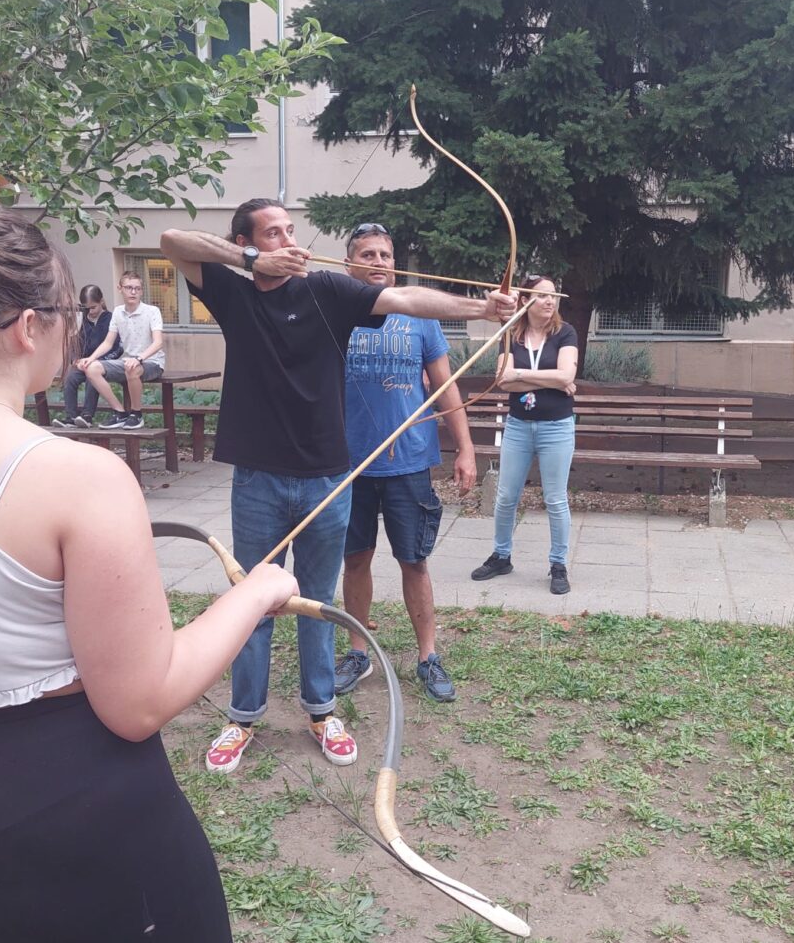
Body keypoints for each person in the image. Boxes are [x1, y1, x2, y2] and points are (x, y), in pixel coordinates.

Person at [0, 196, 299, 943]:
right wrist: (259, 590)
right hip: (67, 816)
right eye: (65, 314)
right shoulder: (76, 477)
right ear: (28, 327)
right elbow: (139, 700)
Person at [160, 202, 516, 774]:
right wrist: (251, 262)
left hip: (328, 476)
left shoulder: (326, 288)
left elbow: (405, 299)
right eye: (273, 233)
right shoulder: (233, 293)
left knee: (318, 604)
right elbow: (172, 238)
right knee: (252, 603)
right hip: (258, 478)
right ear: (246, 241)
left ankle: (321, 711)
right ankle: (243, 717)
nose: (288, 240)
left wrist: (482, 307)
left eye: (291, 230)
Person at [336, 224, 476, 703]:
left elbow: (445, 385)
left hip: (410, 461)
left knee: (414, 561)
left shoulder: (418, 314)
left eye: (386, 255)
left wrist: (465, 447)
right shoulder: (334, 312)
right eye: (368, 254)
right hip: (349, 463)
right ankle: (358, 652)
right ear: (348, 264)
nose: (379, 262)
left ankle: (428, 656)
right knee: (355, 559)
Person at [470, 274, 578, 595]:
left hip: (556, 427)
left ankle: (558, 564)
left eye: (553, 295)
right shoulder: (511, 334)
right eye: (542, 296)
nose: (550, 301)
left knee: (555, 499)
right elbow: (503, 380)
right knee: (506, 497)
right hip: (518, 426)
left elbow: (566, 375)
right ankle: (501, 556)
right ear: (525, 301)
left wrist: (520, 374)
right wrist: (550, 379)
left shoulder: (565, 332)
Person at [80, 269, 165, 430]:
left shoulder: (152, 311)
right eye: (129, 288)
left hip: (152, 362)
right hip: (126, 362)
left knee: (131, 368)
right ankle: (120, 412)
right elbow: (108, 342)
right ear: (120, 289)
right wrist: (90, 358)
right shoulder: (118, 312)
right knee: (91, 368)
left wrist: (139, 359)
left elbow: (158, 343)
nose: (133, 292)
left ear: (141, 291)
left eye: (137, 288)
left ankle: (136, 414)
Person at [51, 283, 122, 428]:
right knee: (70, 377)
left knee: (92, 375)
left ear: (101, 302)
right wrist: (75, 360)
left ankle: (87, 416)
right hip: (83, 363)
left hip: (104, 364)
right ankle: (71, 417)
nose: (90, 311)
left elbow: (118, 348)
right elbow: (72, 342)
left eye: (93, 307)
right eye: (86, 308)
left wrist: (99, 362)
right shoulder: (81, 320)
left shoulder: (111, 319)